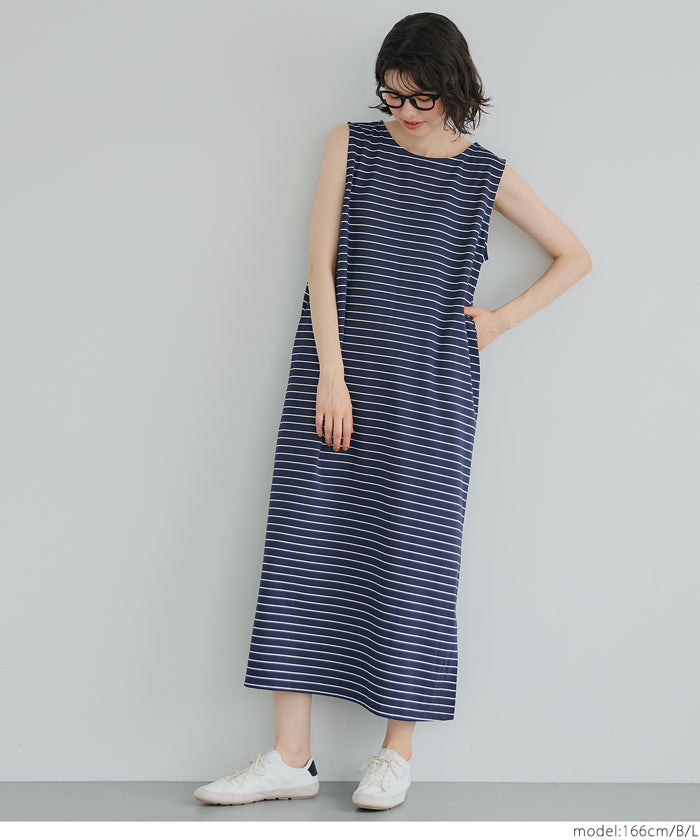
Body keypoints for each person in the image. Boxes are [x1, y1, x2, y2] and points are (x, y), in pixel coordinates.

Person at [195, 12, 592, 811]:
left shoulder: (485, 175)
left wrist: (499, 321)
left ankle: (395, 753)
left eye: (420, 97)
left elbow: (575, 255)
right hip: (334, 378)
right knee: (303, 544)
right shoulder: (350, 145)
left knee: (416, 555)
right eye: (392, 96)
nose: (404, 112)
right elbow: (320, 267)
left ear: (455, 89)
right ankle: (290, 758)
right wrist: (331, 375)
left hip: (433, 390)